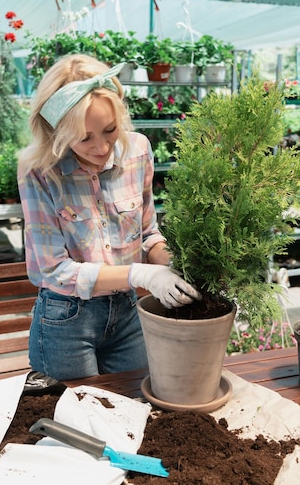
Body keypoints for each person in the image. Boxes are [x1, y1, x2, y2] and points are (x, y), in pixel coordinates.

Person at [18, 54, 201, 381]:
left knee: (137, 407)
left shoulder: (138, 151)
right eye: (84, 138)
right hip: (66, 322)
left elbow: (147, 234)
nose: (101, 147)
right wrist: (141, 276)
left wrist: (174, 268)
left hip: (128, 316)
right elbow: (52, 270)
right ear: (57, 130)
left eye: (110, 130)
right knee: (76, 421)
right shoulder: (40, 171)